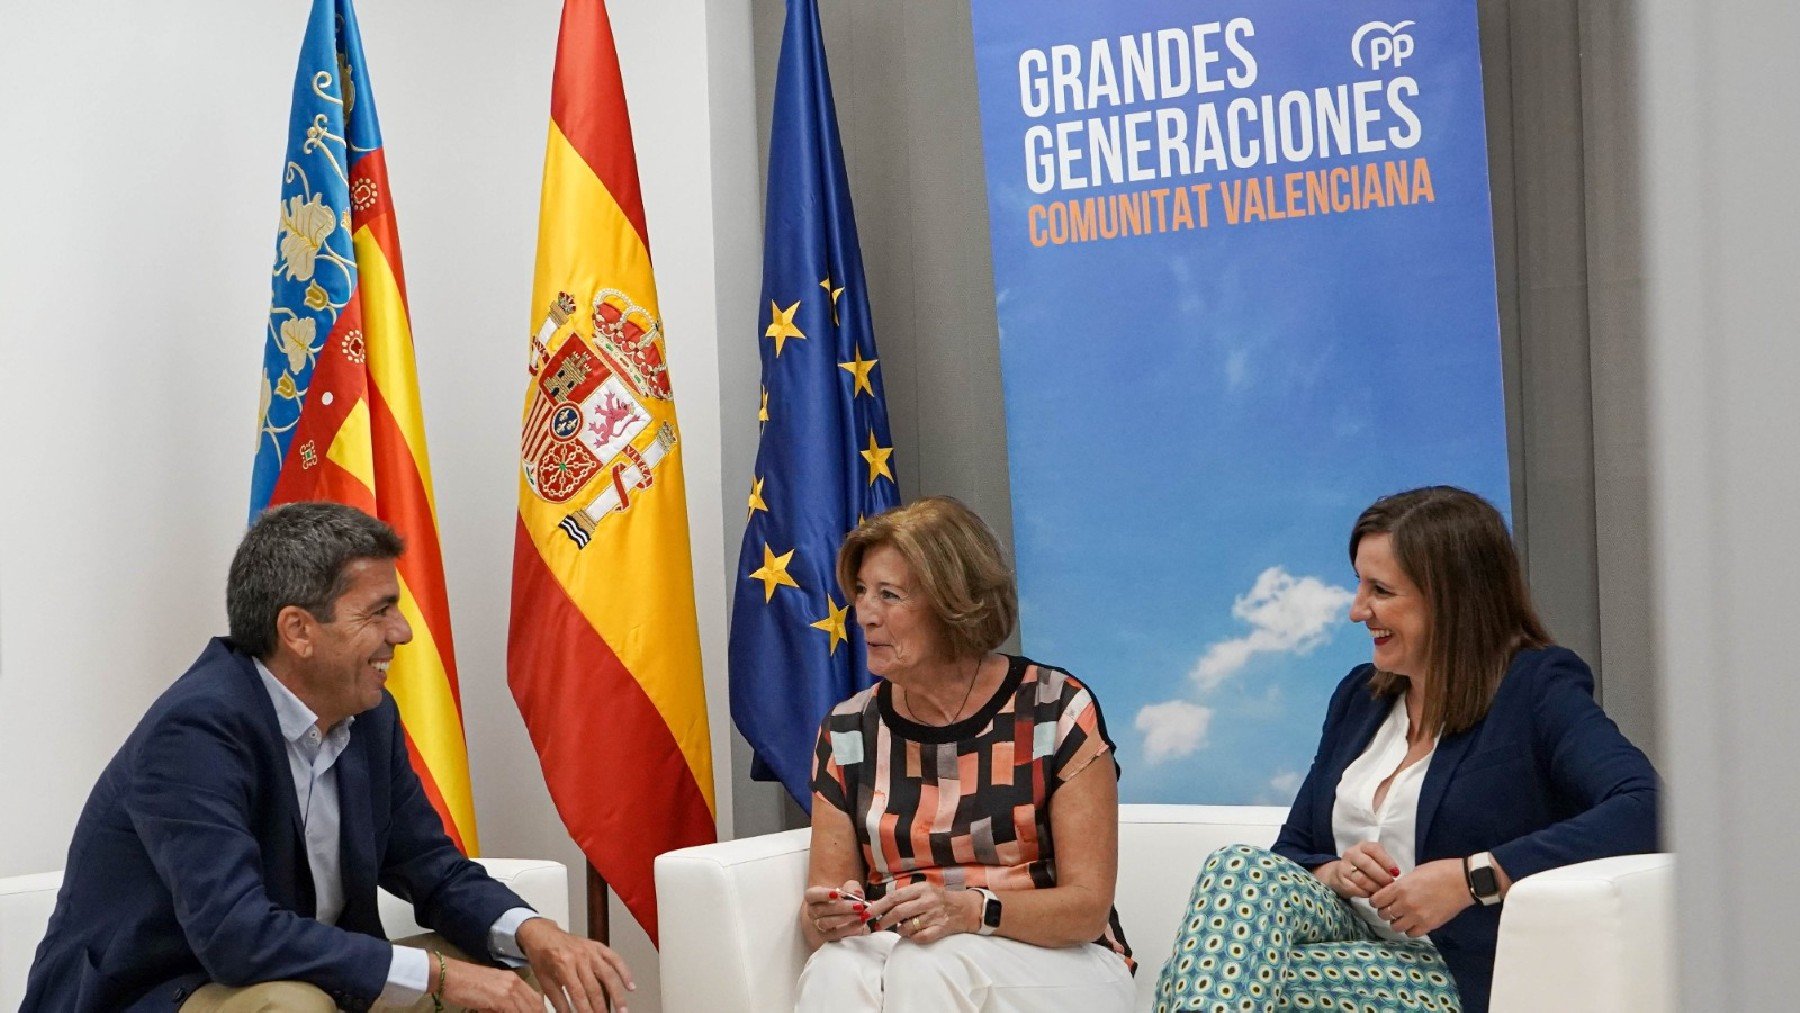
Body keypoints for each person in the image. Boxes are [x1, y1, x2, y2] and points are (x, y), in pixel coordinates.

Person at [23, 502, 634, 1013]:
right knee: (293, 1006)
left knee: (507, 974)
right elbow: (236, 937)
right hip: (154, 994)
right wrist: (440, 976)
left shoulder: (368, 717)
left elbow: (432, 868)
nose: (403, 632)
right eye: (378, 611)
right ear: (297, 631)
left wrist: (535, 934)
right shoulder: (196, 731)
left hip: (290, 976)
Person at [1153, 486, 1658, 1013]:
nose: (1356, 611)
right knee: (1237, 868)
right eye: (1359, 586)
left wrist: (1473, 877)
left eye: (1381, 590)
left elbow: (1647, 806)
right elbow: (1294, 850)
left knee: (1200, 976)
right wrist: (1336, 872)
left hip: (1452, 968)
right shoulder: (1359, 696)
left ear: (1453, 597)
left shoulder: (1534, 688)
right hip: (1344, 933)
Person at [793, 496, 1135, 1013]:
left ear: (953, 605)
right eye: (861, 592)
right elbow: (822, 907)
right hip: (905, 946)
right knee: (836, 967)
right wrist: (826, 919)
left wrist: (974, 910)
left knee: (931, 962)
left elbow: (1086, 910)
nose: (863, 614)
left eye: (889, 595)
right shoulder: (848, 730)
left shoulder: (1054, 708)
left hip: (1059, 958)